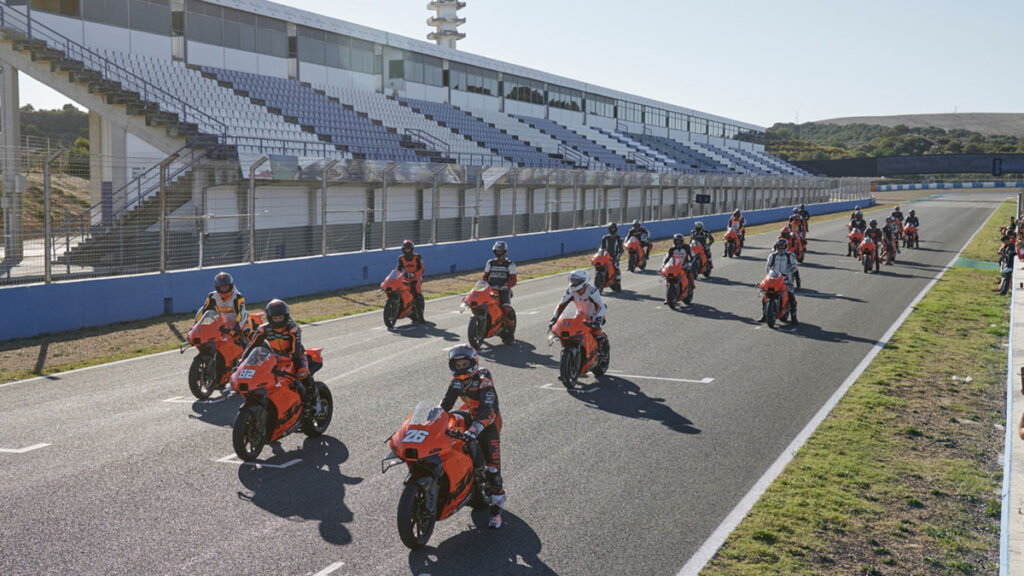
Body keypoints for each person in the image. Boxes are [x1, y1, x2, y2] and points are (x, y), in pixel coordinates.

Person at [440, 345, 506, 529]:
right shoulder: (456, 382)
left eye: (464, 363)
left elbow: (489, 408)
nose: (461, 367)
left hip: (489, 422)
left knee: (493, 470)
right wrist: (432, 418)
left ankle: (497, 510)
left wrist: (476, 428)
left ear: (473, 362)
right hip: (470, 416)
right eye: (457, 364)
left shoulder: (484, 378)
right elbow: (445, 404)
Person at [241, 299, 316, 409]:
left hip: (296, 356)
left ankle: (310, 403)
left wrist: (286, 357)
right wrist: (242, 361)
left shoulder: (293, 329)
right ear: (270, 318)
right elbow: (251, 346)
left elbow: (294, 351)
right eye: (275, 318)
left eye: (280, 317)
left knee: (302, 375)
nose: (278, 320)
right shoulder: (263, 329)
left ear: (285, 316)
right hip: (275, 356)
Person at [549, 269, 609, 347]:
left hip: (595, 315)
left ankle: (603, 351)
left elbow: (600, 306)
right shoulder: (570, 291)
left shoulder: (592, 290)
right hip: (580, 315)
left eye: (576, 281)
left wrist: (598, 320)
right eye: (572, 280)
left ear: (583, 281)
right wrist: (554, 318)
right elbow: (561, 305)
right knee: (571, 333)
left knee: (597, 334)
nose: (573, 283)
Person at [195, 271, 252, 340]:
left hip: (240, 321)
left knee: (247, 332)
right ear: (217, 287)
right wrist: (196, 326)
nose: (224, 289)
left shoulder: (237, 296)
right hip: (223, 324)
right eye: (222, 287)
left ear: (230, 286)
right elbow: (204, 310)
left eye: (226, 286)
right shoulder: (212, 296)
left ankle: (255, 347)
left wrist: (237, 326)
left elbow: (241, 312)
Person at [759, 238, 799, 325]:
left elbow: (794, 266)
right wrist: (770, 274)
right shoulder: (772, 256)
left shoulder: (790, 255)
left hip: (786, 280)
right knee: (764, 295)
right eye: (779, 246)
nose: (781, 247)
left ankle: (794, 317)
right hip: (775, 279)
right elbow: (768, 266)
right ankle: (764, 315)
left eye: (783, 246)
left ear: (786, 246)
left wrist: (787, 272)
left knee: (791, 296)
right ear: (776, 246)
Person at [482, 241, 517, 338]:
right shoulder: (490, 262)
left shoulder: (510, 264)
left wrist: (505, 286)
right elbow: (485, 276)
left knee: (507, 310)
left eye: (500, 251)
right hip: (490, 290)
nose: (498, 253)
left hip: (504, 290)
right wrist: (484, 284)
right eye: (497, 251)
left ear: (504, 251)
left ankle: (510, 335)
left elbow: (513, 280)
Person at [396, 240, 425, 322]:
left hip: (416, 279)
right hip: (405, 280)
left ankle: (421, 316)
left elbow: (422, 268)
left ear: (412, 249)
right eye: (405, 249)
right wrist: (397, 275)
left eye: (408, 249)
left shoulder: (417, 257)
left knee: (418, 296)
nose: (407, 250)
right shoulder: (401, 258)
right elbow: (398, 269)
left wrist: (414, 274)